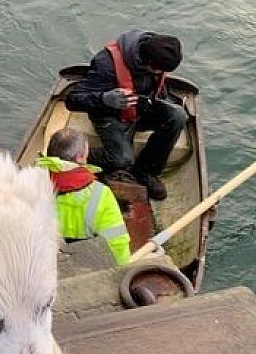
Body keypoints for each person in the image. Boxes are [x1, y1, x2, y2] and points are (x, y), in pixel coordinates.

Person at [65, 29, 188, 201]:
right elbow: (73, 100)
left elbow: (158, 87)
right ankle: (77, 156)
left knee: (178, 116)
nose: (160, 75)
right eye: (159, 71)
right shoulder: (105, 64)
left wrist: (155, 99)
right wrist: (105, 99)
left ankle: (146, 170)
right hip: (109, 115)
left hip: (140, 108)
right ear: (149, 64)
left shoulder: (155, 52)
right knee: (122, 159)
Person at [37, 128, 131, 265]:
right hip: (83, 264)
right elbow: (117, 244)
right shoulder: (100, 194)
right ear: (80, 157)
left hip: (45, 263)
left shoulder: (30, 183)